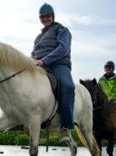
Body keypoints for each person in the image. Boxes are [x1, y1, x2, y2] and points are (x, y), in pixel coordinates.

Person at [31, 3, 74, 142]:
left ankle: (65, 127)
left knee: (67, 86)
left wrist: (44, 60)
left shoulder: (62, 30)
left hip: (58, 64)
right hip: (39, 65)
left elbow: (63, 48)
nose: (45, 19)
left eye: (48, 16)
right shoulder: (38, 37)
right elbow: (33, 53)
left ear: (53, 16)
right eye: (42, 17)